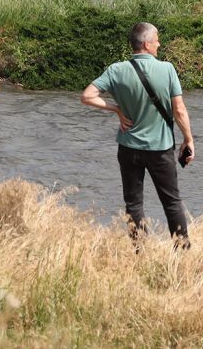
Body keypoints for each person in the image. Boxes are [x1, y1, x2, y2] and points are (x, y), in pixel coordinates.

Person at [81, 21, 194, 246]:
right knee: (171, 202)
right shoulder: (167, 69)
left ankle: (140, 252)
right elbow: (179, 110)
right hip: (160, 149)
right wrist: (188, 140)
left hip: (128, 147)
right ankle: (181, 251)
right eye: (157, 40)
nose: (159, 44)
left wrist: (115, 109)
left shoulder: (116, 70)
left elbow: (87, 96)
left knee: (133, 205)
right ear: (146, 44)